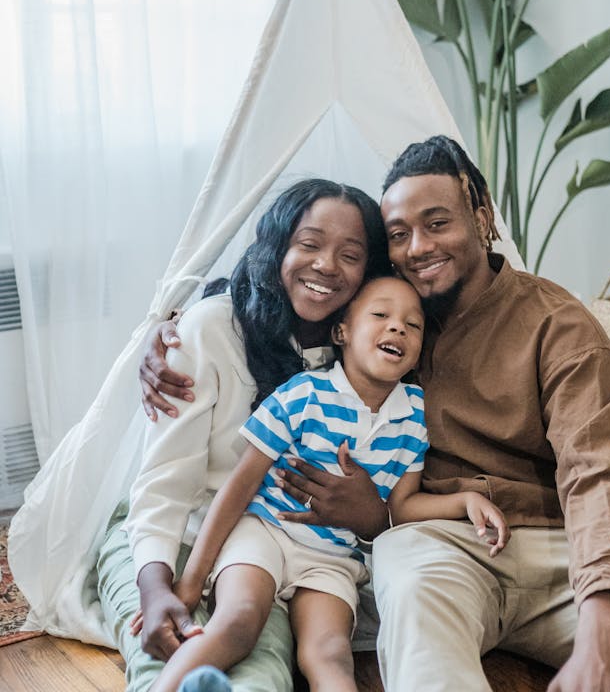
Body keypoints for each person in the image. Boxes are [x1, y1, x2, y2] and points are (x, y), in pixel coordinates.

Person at [142, 137, 610, 692]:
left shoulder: (557, 326)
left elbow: (602, 471)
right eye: (398, 234)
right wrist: (169, 329)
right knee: (409, 577)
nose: (418, 248)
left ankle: (594, 665)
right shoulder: (390, 313)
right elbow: (283, 295)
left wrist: (601, 627)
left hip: (556, 549)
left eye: (437, 224)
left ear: (482, 218)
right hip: (444, 547)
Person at [137, 275, 508, 692]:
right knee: (239, 621)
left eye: (413, 324)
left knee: (329, 654)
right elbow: (239, 487)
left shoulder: (415, 416)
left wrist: (465, 501)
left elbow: (401, 506)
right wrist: (190, 582)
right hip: (266, 531)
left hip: (332, 559)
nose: (397, 327)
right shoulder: (304, 394)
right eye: (381, 315)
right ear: (341, 332)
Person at [97, 178, 393, 692]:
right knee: (165, 647)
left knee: (262, 673)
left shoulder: (360, 357)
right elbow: (164, 487)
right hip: (167, 535)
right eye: (309, 244)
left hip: (261, 545)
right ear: (276, 247)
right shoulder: (211, 329)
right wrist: (156, 586)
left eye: (350, 255)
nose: (326, 265)